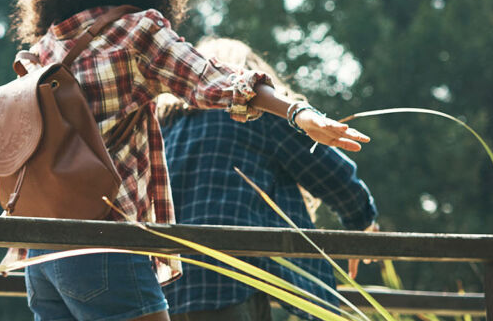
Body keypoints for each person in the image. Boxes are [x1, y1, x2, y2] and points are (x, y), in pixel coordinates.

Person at [0, 0, 370, 321]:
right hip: (105, 245)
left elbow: (15, 144)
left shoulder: (46, 49)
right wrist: (298, 111)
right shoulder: (138, 32)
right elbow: (214, 78)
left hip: (41, 257)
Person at [159, 38, 379, 321]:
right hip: (228, 282)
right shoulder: (256, 112)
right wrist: (362, 221)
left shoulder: (164, 126)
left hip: (164, 292)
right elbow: (331, 173)